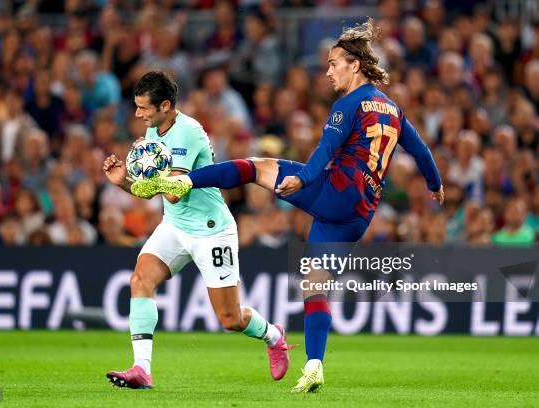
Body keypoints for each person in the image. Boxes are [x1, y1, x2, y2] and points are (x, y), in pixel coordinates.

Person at [132, 20, 445, 393]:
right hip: (359, 213)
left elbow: (325, 151)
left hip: (335, 192)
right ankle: (314, 364)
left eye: (333, 64)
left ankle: (184, 180)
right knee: (314, 285)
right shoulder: (393, 108)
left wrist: (306, 178)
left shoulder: (349, 104)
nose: (328, 71)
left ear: (354, 65)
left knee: (256, 167)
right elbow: (421, 150)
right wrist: (435, 183)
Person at [103, 71, 290, 390]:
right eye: (136, 107)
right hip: (175, 225)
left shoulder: (188, 132)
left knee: (230, 319)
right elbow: (153, 192)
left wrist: (141, 177)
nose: (138, 114)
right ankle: (141, 369)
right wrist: (124, 181)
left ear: (165, 106)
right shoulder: (153, 133)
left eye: (144, 108)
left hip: (211, 230)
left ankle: (274, 336)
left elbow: (174, 191)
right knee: (140, 279)